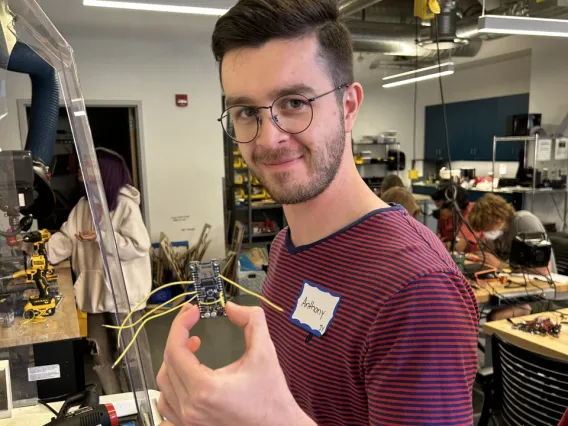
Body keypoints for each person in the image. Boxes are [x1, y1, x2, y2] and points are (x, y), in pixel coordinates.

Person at [157, 1, 479, 425]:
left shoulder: (416, 290)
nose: (269, 138)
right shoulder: (287, 247)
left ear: (348, 107)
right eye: (247, 112)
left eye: (293, 102)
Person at [46, 148, 156, 394]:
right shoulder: (83, 206)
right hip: (93, 294)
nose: (79, 174)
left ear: (103, 173)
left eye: (85, 169)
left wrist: (102, 237)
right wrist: (38, 252)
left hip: (124, 298)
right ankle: (117, 405)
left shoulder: (125, 205)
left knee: (133, 356)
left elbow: (139, 245)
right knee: (100, 357)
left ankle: (148, 404)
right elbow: (67, 238)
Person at [469, 193, 556, 320]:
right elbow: (489, 261)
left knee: (495, 317)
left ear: (498, 218)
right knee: (471, 311)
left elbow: (544, 270)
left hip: (541, 295)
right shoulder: (498, 234)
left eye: (487, 229)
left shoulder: (523, 221)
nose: (486, 234)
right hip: (515, 293)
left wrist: (500, 265)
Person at [432, 184, 481, 253]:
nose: (438, 210)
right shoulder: (447, 215)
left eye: (440, 207)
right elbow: (441, 236)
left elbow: (459, 246)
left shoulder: (473, 213)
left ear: (452, 205)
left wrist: (435, 245)